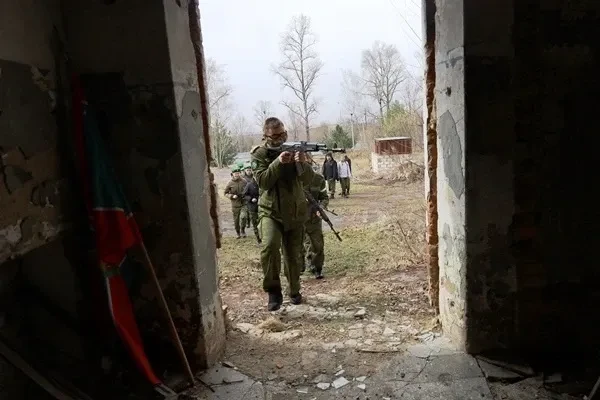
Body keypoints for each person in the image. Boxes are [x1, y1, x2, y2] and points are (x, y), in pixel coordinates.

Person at [251, 116, 314, 311]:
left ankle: (294, 290)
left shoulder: (296, 150)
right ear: (266, 136)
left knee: (294, 255)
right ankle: (273, 291)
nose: (280, 139)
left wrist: (302, 163)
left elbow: (309, 180)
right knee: (270, 247)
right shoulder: (260, 154)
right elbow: (263, 182)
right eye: (275, 136)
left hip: (295, 211)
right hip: (270, 212)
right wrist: (278, 162)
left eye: (282, 134)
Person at [303, 163, 329, 279]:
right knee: (304, 245)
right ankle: (306, 265)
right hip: (298, 219)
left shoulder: (319, 179)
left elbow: (324, 197)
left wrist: (321, 207)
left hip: (314, 218)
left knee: (318, 245)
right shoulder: (294, 179)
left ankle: (318, 268)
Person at [224, 167, 247, 239]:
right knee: (236, 220)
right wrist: (232, 196)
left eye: (238, 173)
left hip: (243, 203)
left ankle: (243, 230)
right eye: (235, 173)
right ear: (232, 174)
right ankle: (238, 233)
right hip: (235, 204)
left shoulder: (244, 181)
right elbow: (225, 193)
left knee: (243, 217)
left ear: (240, 173)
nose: (237, 174)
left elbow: (248, 190)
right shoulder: (230, 183)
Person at [242, 169, 261, 244]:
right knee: (255, 222)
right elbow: (244, 195)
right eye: (256, 176)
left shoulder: (262, 184)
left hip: (262, 206)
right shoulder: (249, 184)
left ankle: (264, 236)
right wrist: (250, 199)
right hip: (252, 206)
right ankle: (258, 237)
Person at [240, 164, 253, 230]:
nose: (249, 171)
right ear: (245, 170)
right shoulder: (243, 178)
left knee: (252, 210)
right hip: (246, 195)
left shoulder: (253, 177)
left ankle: (252, 222)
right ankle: (248, 223)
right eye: (247, 170)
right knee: (246, 210)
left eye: (250, 170)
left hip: (252, 195)